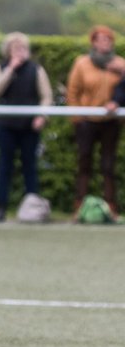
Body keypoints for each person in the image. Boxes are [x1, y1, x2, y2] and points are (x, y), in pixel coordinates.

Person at [0, 32, 52, 222]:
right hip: (6, 124)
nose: (20, 52)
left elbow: (46, 96)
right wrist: (10, 69)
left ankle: (33, 209)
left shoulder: (36, 69)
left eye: (23, 48)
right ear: (8, 51)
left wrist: (42, 115)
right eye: (16, 48)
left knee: (30, 166)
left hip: (29, 126)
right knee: (5, 166)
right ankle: (1, 207)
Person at [66, 25, 125, 218]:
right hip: (87, 121)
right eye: (101, 39)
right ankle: (79, 205)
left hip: (111, 122)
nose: (105, 43)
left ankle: (111, 207)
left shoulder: (120, 64)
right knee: (84, 162)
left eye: (108, 39)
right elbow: (73, 92)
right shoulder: (82, 63)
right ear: (93, 42)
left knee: (108, 165)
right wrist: (77, 118)